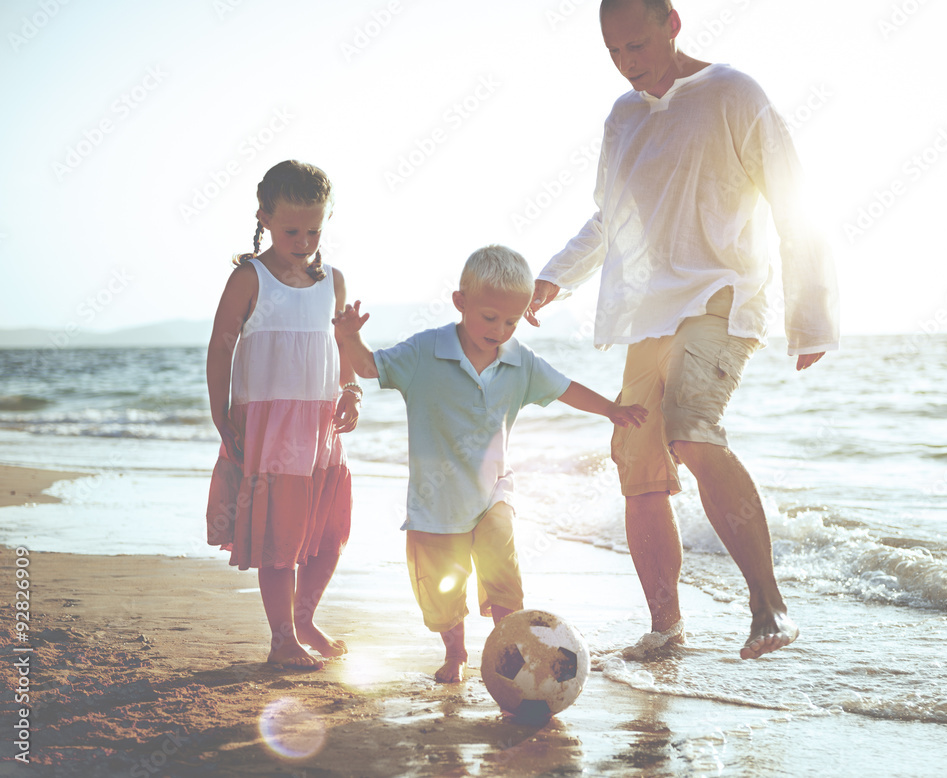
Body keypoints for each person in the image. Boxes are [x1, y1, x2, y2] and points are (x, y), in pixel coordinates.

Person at [526, 0, 839, 659]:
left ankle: (769, 608)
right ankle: (666, 629)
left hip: (723, 297)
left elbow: (793, 197)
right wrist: (555, 277)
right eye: (613, 52)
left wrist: (809, 319)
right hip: (648, 315)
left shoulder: (733, 93)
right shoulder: (623, 116)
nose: (627, 63)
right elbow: (608, 220)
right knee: (637, 469)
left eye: (637, 45)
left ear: (672, 22)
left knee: (691, 429)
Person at [334, 245, 647, 683]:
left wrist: (611, 410)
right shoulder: (425, 351)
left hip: (492, 495)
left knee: (505, 578)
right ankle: (456, 652)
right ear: (460, 302)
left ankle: (510, 654)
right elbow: (369, 368)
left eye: (511, 321)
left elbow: (565, 388)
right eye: (489, 317)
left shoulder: (520, 362)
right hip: (435, 502)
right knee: (441, 592)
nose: (500, 329)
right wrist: (349, 337)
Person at [206, 160, 362, 670]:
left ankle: (305, 617)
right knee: (281, 539)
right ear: (265, 218)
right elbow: (221, 346)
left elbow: (340, 348)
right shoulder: (249, 277)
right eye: (292, 229)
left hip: (320, 428)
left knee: (328, 533)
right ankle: (282, 640)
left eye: (314, 229)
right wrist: (221, 412)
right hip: (270, 430)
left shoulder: (332, 281)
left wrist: (351, 391)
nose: (303, 239)